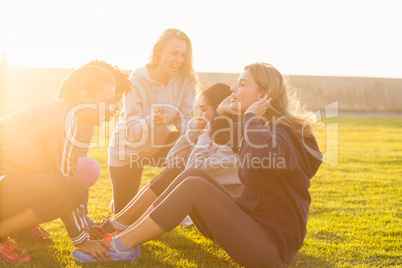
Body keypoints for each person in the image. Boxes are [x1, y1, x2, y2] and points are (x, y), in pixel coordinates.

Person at [72, 62, 323, 266]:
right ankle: (125, 236)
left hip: (272, 247)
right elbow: (188, 158)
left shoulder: (283, 133)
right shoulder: (255, 128)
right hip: (249, 226)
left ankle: (122, 245)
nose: (233, 89)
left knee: (195, 184)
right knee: (192, 175)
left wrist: (249, 117)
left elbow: (261, 156)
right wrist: (221, 114)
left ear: (264, 95)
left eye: (243, 84)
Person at [0, 66, 118, 263]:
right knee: (70, 189)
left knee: (68, 186)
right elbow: (65, 186)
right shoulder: (65, 117)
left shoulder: (59, 112)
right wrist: (83, 241)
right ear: (84, 95)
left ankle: (19, 231)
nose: (111, 109)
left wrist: (84, 226)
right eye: (106, 101)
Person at [108, 28, 198, 213]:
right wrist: (150, 121)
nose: (179, 60)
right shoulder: (137, 80)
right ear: (158, 50)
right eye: (173, 53)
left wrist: (199, 130)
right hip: (127, 151)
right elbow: (131, 130)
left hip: (159, 145)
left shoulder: (186, 81)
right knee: (125, 215)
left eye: (183, 55)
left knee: (193, 150)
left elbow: (184, 120)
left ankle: (179, 207)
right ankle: (123, 203)